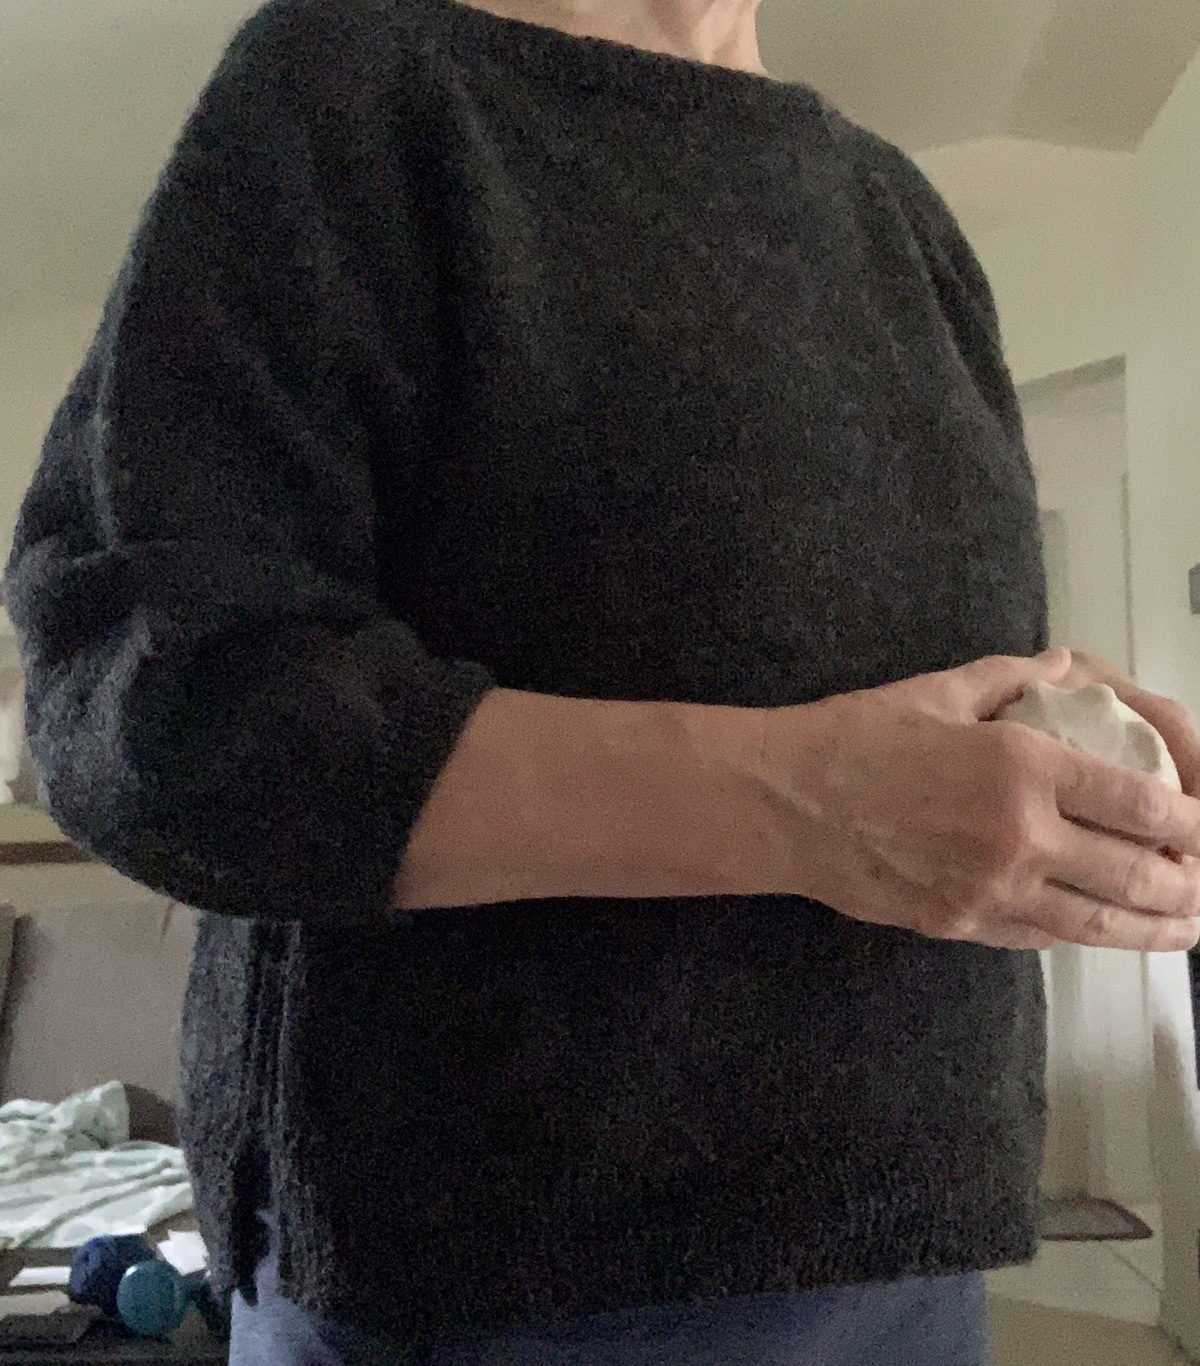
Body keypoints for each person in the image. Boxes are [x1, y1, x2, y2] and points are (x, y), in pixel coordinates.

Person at [6, 0, 1200, 1360]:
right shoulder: (353, 94)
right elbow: (160, 702)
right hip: (488, 1291)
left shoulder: (901, 216)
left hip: (917, 1256)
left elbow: (860, 676)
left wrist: (1067, 756)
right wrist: (808, 804)